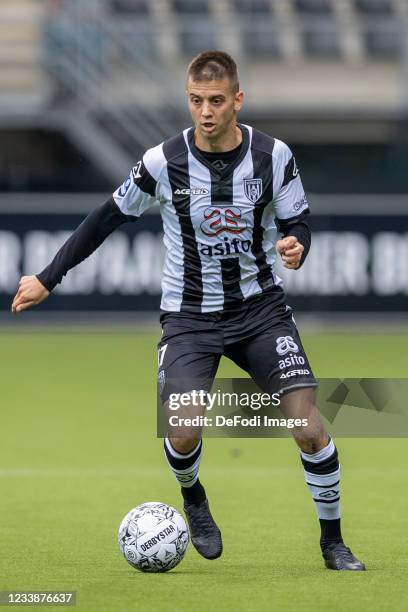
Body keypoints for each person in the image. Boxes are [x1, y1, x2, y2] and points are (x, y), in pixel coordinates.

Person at [11, 50, 365, 571]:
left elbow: (299, 222)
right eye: (196, 101)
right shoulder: (162, 162)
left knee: (309, 425)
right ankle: (194, 498)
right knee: (183, 429)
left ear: (237, 100)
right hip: (190, 318)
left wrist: (296, 245)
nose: (205, 111)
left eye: (217, 101)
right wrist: (47, 277)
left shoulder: (274, 156)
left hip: (261, 312)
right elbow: (107, 216)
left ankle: (333, 542)